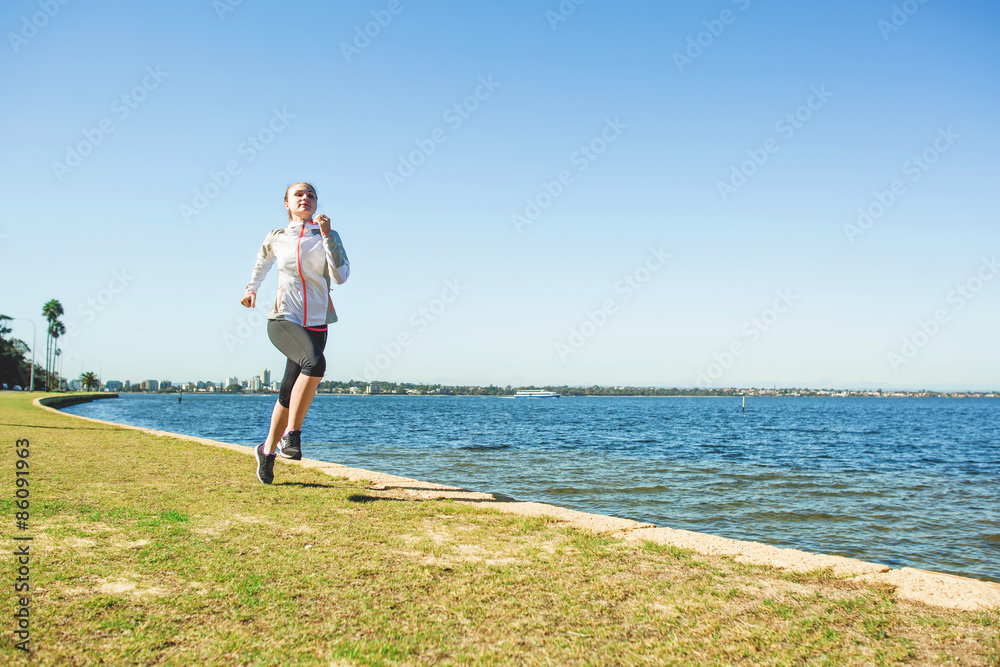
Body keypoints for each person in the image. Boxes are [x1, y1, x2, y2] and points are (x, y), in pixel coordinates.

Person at [240, 182, 350, 484]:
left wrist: (328, 236)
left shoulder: (326, 235)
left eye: (310, 195)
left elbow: (341, 276)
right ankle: (292, 436)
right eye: (298, 195)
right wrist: (251, 290)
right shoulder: (277, 237)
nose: (305, 198)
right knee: (315, 364)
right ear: (287, 203)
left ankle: (266, 451)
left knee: (288, 392)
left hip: (317, 321)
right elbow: (261, 263)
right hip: (283, 318)